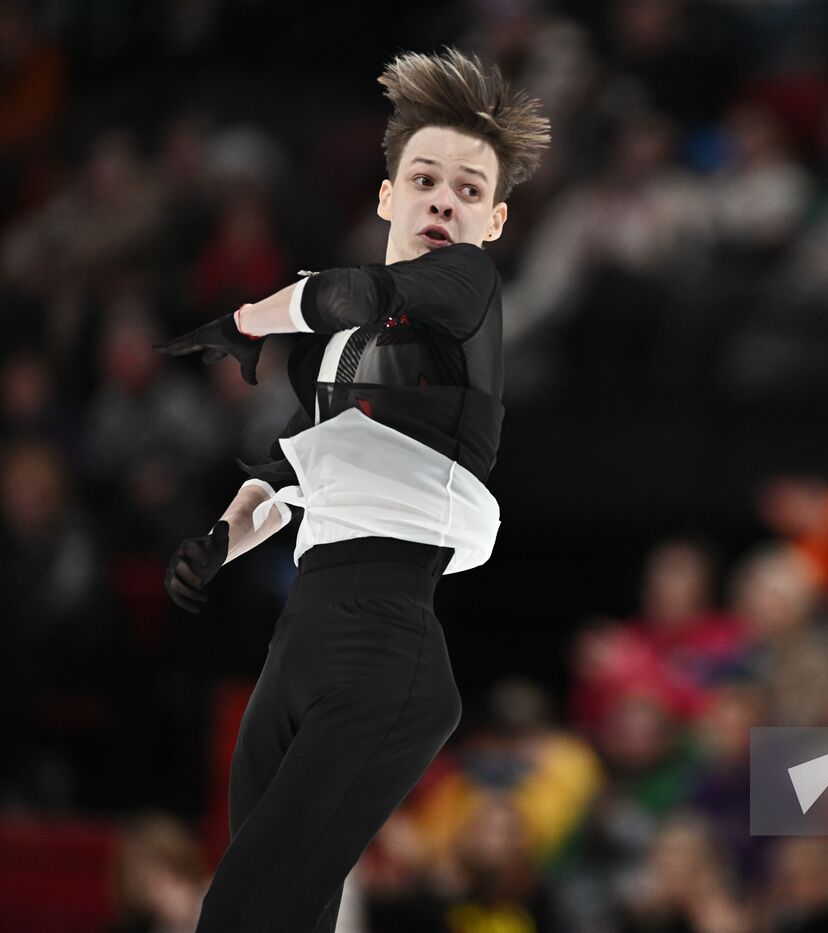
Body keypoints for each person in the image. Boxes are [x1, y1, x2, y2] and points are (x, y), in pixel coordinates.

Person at [151, 47, 550, 932]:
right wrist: (221, 539)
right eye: (425, 179)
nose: (444, 199)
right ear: (386, 196)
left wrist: (247, 317)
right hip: (299, 647)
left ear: (493, 221)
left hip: (382, 651)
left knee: (241, 915)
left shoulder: (466, 288)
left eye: (469, 190)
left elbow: (346, 292)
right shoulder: (341, 360)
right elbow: (291, 473)